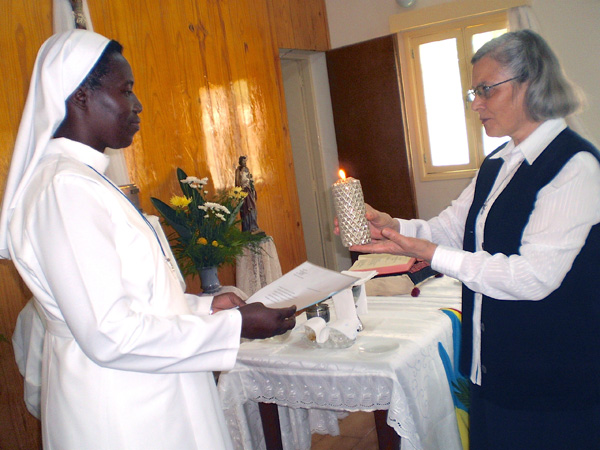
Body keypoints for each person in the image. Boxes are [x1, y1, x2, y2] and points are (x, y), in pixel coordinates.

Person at [0, 30, 296, 449]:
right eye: (125, 90)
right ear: (81, 95)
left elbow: (134, 300)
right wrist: (234, 326)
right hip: (121, 409)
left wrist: (205, 307)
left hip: (146, 389)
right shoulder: (64, 190)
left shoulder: (84, 180)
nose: (137, 104)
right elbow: (109, 333)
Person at [340, 30, 600, 449]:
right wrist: (392, 229)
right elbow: (448, 229)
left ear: (529, 84)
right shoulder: (498, 163)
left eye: (486, 89)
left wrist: (433, 255)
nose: (476, 103)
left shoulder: (576, 166)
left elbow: (533, 277)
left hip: (551, 383)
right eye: (473, 92)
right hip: (493, 369)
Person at [235, 155, 262, 233]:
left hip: (249, 191)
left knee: (252, 208)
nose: (244, 163)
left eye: (245, 161)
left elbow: (249, 180)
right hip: (243, 191)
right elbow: (238, 182)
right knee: (246, 208)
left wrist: (252, 188)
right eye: (243, 161)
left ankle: (253, 226)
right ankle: (248, 228)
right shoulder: (239, 171)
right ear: (240, 162)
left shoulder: (247, 169)